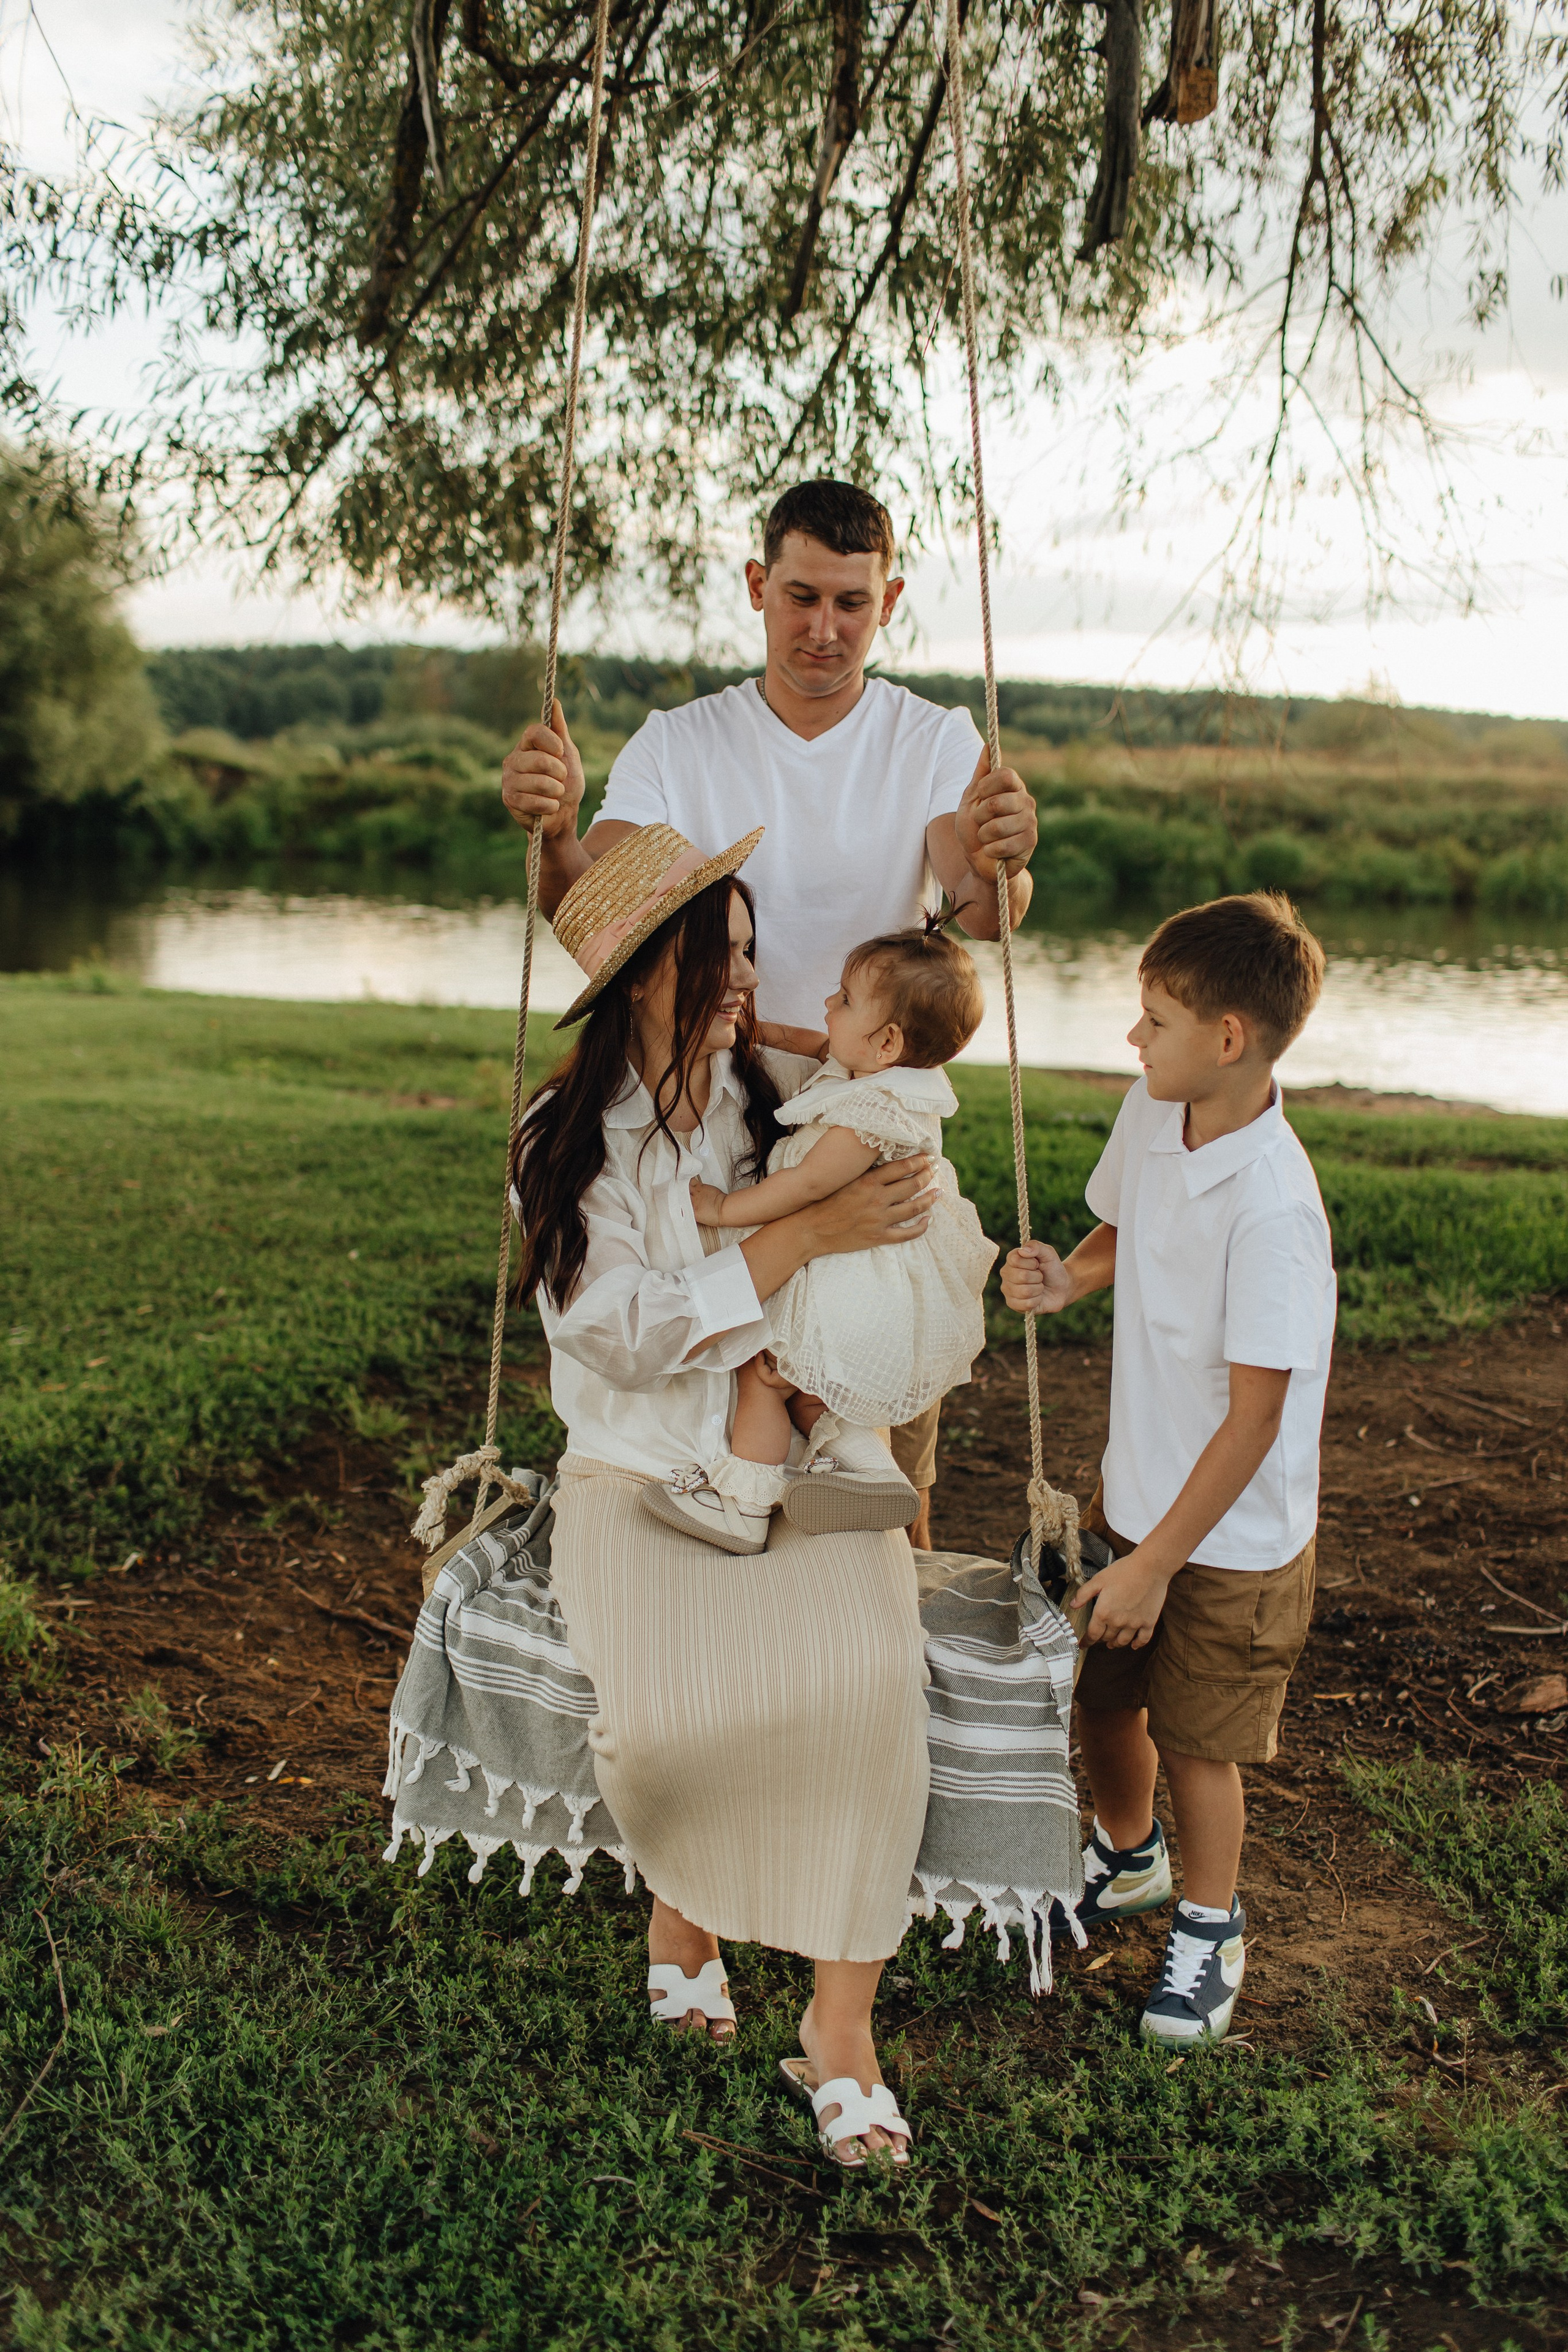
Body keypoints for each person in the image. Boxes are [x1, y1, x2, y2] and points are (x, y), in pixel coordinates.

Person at [500, 476, 1039, 1549]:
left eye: (852, 602)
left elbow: (979, 905)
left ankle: (877, 1629)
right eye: (801, 597)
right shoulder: (682, 740)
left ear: (888, 599)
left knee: (871, 1428)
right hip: (703, 1092)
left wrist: (1005, 859)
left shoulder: (931, 740)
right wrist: (555, 835)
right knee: (723, 1385)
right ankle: (707, 1579)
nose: (825, 629)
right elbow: (597, 905)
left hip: (853, 1109)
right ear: (758, 586)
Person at [511, 820, 937, 2164]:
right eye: (724, 958)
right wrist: (799, 1236)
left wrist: (838, 1306)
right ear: (647, 972)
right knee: (674, 1726)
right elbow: (618, 1330)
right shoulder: (563, 1136)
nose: (749, 983)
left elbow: (885, 1217)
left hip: (794, 1447)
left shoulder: (777, 1100)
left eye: (753, 955)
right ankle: (685, 1908)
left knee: (870, 1687)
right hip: (636, 1466)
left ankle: (838, 2031)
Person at [1001, 892, 1333, 2047]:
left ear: (1228, 1038)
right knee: (1103, 1699)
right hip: (1132, 1492)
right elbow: (1119, 1229)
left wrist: (1154, 1566)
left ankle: (1209, 1922)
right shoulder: (1155, 1116)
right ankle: (1130, 1860)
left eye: (1152, 1020)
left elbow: (1253, 1422)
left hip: (1229, 1539)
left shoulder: (1276, 1207)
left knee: (1199, 1740)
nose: (1132, 1041)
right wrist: (1066, 1281)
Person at [644, 921, 997, 1555]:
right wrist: (759, 1034)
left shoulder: (866, 1118)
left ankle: (743, 1506)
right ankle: (869, 1473)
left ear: (886, 1041)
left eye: (843, 1000)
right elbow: (812, 1044)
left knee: (763, 1373)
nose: (826, 1006)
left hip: (846, 1283)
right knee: (809, 1394)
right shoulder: (892, 1079)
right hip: (874, 1280)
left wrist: (724, 1209)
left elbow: (807, 1186)